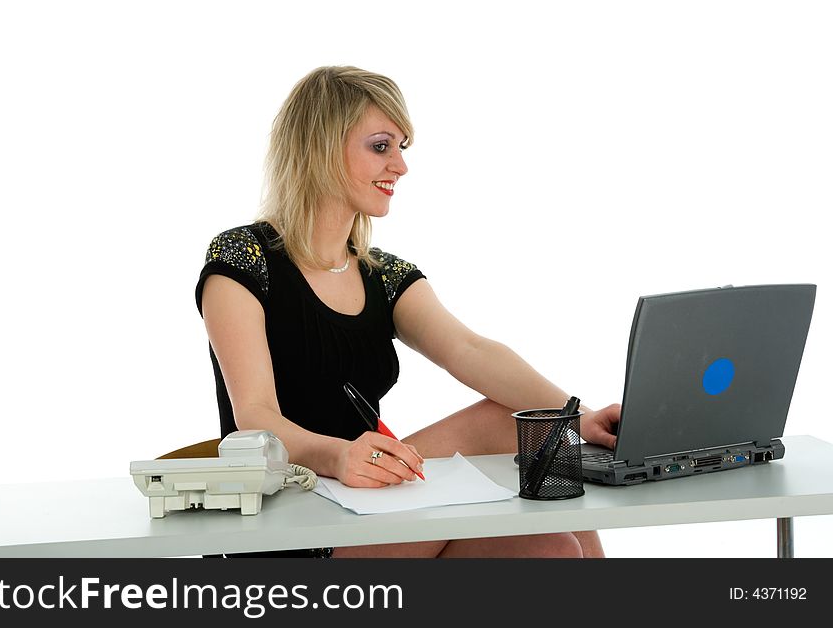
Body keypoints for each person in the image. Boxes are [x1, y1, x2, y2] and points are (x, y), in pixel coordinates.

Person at [195, 65, 621, 558]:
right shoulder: (242, 260)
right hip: (288, 517)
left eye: (401, 148)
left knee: (551, 520)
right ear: (321, 147)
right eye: (381, 147)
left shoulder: (385, 274)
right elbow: (256, 419)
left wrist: (581, 419)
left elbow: (469, 349)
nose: (400, 165)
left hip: (362, 500)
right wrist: (338, 456)